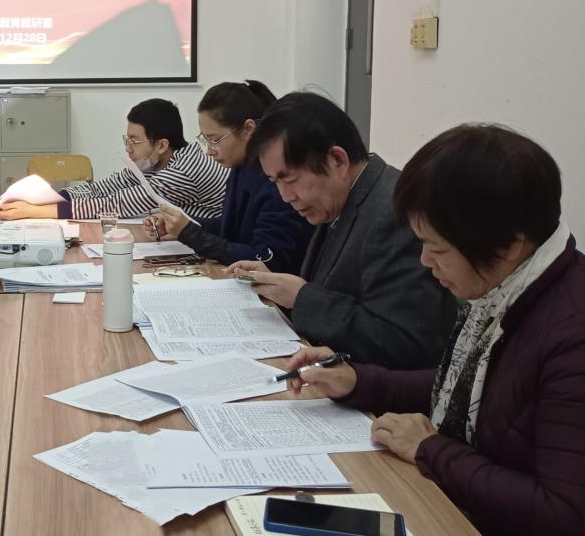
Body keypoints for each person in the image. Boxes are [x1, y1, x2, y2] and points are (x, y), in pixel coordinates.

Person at [282, 124, 585, 535]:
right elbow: (467, 389)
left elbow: (564, 514)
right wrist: (357, 380)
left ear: (510, 244)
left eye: (438, 248)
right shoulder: (505, 291)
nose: (425, 261)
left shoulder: (571, 335)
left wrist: (431, 450)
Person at [228, 92, 456, 369]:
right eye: (275, 182)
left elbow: (403, 342)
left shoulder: (392, 211)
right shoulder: (343, 200)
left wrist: (302, 297)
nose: (285, 196)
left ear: (337, 160)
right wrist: (278, 287)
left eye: (291, 179)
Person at [145, 81, 311, 273]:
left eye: (215, 140)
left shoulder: (276, 181)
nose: (209, 151)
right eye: (205, 140)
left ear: (248, 129)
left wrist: (190, 233)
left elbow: (265, 259)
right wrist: (183, 224)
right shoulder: (241, 166)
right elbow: (230, 227)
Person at [0, 98, 227, 221]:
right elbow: (105, 188)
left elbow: (116, 204)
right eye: (127, 139)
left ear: (161, 145)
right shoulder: (154, 160)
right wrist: (49, 198)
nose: (128, 148)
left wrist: (36, 211)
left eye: (135, 141)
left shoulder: (184, 171)